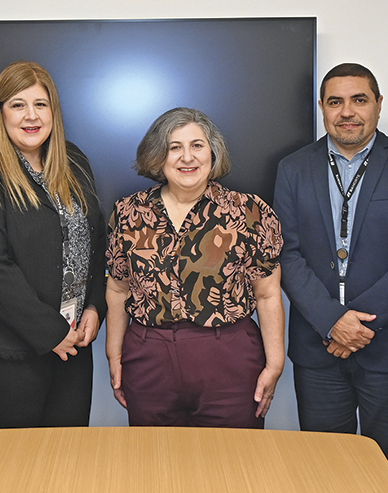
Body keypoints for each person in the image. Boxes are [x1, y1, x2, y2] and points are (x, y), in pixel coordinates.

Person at [272, 63, 388, 493]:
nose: (347, 112)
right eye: (335, 102)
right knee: (323, 478)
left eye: (359, 100)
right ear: (322, 107)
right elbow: (287, 252)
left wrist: (358, 325)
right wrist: (332, 321)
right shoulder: (293, 168)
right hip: (318, 349)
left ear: (378, 105)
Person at [0, 60, 106, 429]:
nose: (31, 116)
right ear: (0, 112)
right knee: (13, 460)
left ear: (53, 111)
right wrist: (52, 333)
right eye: (18, 105)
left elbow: (96, 241)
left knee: (68, 455)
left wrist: (95, 306)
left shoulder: (74, 161)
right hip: (5, 352)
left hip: (72, 343)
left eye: (40, 104)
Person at [106, 107, 285, 428]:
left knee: (233, 455)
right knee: (154, 455)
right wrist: (114, 355)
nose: (187, 157)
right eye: (174, 147)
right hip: (149, 361)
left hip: (229, 359)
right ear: (158, 156)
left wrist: (275, 363)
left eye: (197, 145)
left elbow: (268, 294)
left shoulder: (249, 212)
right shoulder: (129, 213)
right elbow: (118, 290)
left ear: (213, 152)